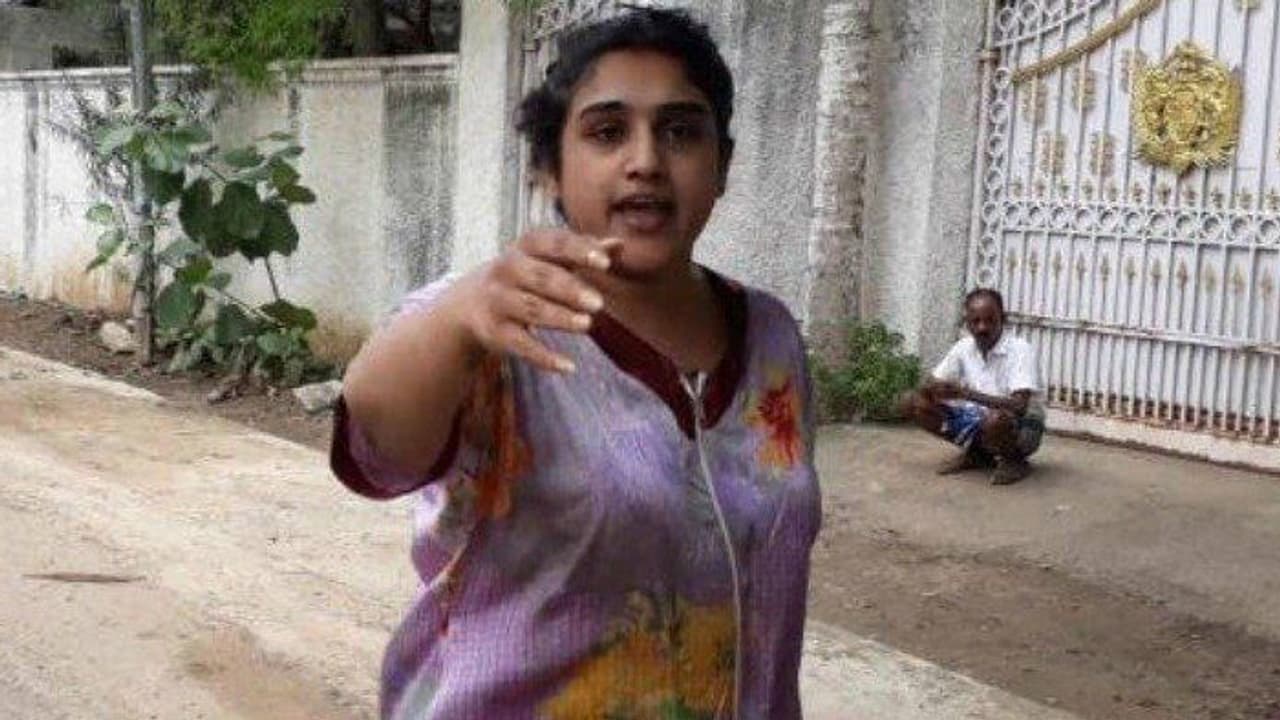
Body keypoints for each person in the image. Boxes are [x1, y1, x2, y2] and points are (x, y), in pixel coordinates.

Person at [331, 9, 821, 719]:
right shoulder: (489, 320)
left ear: (722, 164)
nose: (646, 160)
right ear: (548, 169)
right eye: (607, 131)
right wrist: (458, 319)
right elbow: (376, 441)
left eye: (681, 131)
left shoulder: (771, 337)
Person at [900, 288, 1045, 485]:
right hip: (980, 419)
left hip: (1022, 425)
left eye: (989, 320)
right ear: (967, 323)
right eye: (975, 321)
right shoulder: (963, 347)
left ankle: (1014, 460)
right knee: (912, 402)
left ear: (1003, 319)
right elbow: (932, 382)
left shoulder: (1020, 350)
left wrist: (964, 393)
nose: (982, 327)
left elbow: (1019, 405)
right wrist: (933, 389)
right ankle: (978, 455)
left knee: (995, 419)